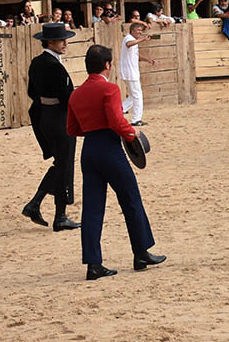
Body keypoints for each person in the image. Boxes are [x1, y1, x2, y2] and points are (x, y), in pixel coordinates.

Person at [67, 44, 164, 280]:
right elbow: (115, 120)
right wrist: (132, 133)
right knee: (130, 199)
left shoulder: (76, 94)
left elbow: (72, 129)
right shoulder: (109, 89)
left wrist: (93, 130)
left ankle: (94, 264)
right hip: (109, 148)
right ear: (108, 65)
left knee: (91, 209)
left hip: (89, 149)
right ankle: (141, 252)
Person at [23, 22, 81, 232]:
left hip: (45, 116)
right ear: (50, 42)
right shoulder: (54, 65)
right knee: (64, 165)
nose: (65, 43)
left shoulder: (37, 63)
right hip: (59, 118)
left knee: (60, 164)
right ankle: (60, 216)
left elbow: (31, 92)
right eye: (61, 40)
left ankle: (35, 204)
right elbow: (67, 98)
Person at [120, 22, 156, 127]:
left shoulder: (133, 40)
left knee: (133, 96)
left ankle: (120, 110)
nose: (140, 32)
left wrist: (147, 59)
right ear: (132, 31)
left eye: (141, 30)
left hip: (130, 72)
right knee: (137, 96)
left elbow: (136, 55)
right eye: (138, 30)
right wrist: (143, 39)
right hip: (130, 73)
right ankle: (136, 119)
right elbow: (129, 44)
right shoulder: (128, 38)